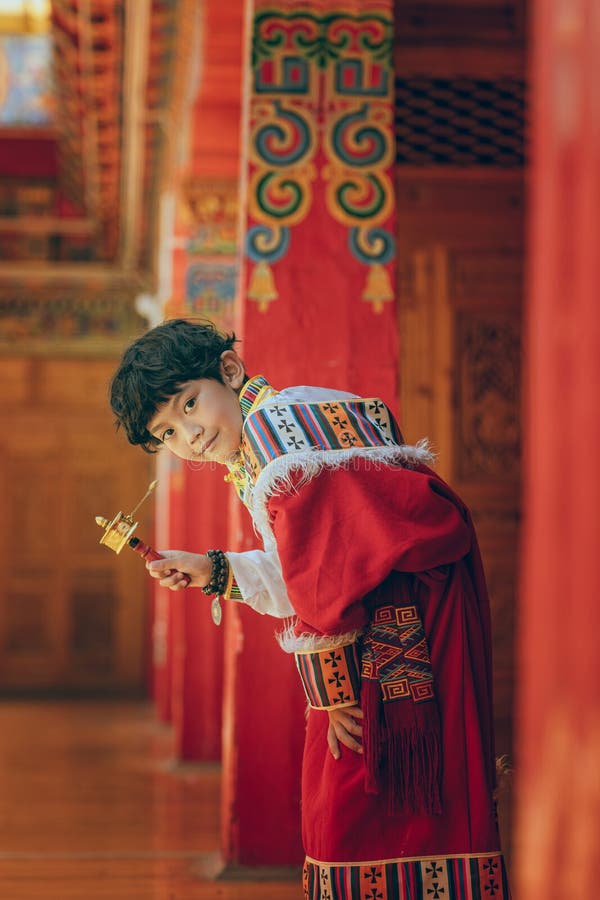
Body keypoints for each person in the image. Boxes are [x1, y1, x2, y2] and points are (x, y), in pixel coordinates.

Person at [109, 318, 511, 900]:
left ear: (228, 370)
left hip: (399, 632)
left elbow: (326, 580)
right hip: (405, 617)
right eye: (168, 432)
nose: (188, 435)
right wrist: (211, 568)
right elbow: (307, 567)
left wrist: (334, 692)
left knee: (352, 796)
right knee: (398, 798)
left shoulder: (278, 438)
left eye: (189, 405)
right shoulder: (271, 433)